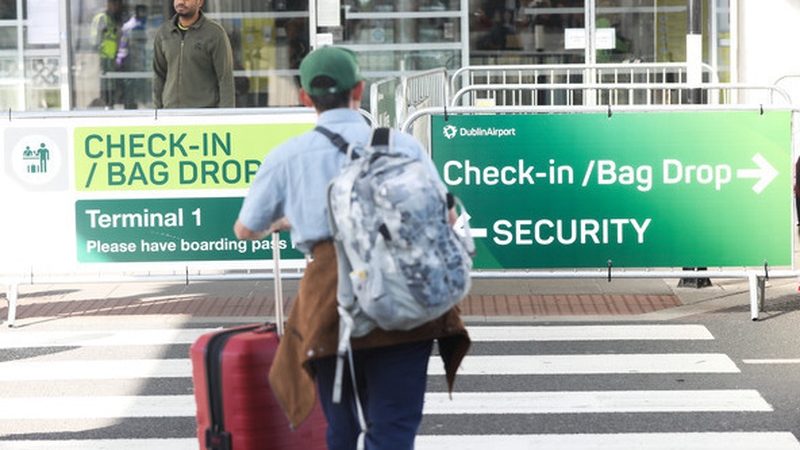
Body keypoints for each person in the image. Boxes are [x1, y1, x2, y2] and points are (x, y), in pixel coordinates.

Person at [233, 46, 471, 449]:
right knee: (394, 427)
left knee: (341, 430)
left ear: (305, 97)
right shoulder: (402, 145)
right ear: (358, 89)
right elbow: (445, 214)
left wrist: (290, 220)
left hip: (331, 304)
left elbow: (246, 229)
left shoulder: (286, 157)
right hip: (406, 294)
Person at [152, 0, 235, 108]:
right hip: (170, 113)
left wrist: (226, 117)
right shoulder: (163, 33)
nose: (181, 2)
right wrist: (156, 113)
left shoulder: (215, 33)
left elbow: (225, 78)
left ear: (200, 2)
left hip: (204, 114)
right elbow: (158, 76)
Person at [116, 4, 149, 109]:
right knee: (130, 82)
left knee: (139, 82)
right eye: (141, 12)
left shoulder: (143, 22)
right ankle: (130, 104)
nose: (143, 14)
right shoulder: (131, 25)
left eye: (144, 12)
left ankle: (138, 102)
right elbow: (124, 43)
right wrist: (120, 59)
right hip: (131, 59)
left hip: (140, 57)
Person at [91, 0, 122, 108]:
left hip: (111, 55)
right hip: (104, 55)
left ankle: (110, 103)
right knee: (105, 81)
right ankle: (106, 103)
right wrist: (98, 51)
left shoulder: (110, 18)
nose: (116, 7)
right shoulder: (102, 18)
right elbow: (96, 36)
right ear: (108, 5)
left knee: (111, 81)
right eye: (114, 4)